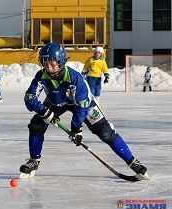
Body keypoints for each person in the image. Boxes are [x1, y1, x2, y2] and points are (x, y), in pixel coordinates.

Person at [19, 42, 148, 180]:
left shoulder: (76, 79)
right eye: (45, 64)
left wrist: (76, 128)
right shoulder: (41, 76)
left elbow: (82, 105)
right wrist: (44, 111)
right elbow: (29, 98)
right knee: (36, 125)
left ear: (61, 62)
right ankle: (34, 160)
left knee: (105, 133)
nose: (49, 68)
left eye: (52, 64)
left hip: (82, 104)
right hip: (55, 102)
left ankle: (132, 161)